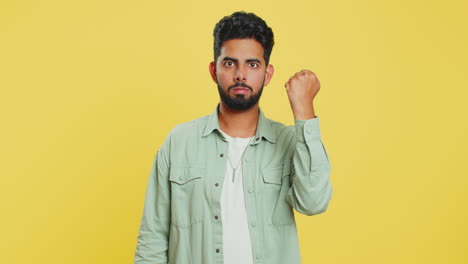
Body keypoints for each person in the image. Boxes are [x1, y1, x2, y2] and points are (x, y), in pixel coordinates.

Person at [134, 11, 332, 264]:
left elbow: (313, 203)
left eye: (252, 64)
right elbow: (152, 237)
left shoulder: (289, 142)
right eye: (229, 63)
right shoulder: (179, 141)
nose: (240, 75)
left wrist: (304, 111)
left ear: (267, 74)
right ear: (213, 70)